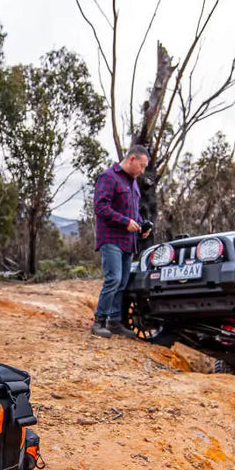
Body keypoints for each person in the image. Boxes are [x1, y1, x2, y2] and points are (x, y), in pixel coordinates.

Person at [91, 144, 151, 338]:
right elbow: (101, 207)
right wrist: (125, 222)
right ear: (132, 159)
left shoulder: (133, 184)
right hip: (111, 239)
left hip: (129, 241)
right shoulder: (108, 177)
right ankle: (99, 321)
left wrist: (142, 226)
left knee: (123, 282)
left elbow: (133, 213)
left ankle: (115, 322)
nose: (142, 171)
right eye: (141, 166)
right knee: (113, 279)